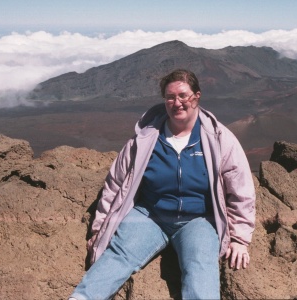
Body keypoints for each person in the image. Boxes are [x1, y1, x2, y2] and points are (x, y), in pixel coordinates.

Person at [69, 69, 256, 300]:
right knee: (118, 255)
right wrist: (100, 229)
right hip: (150, 215)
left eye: (183, 96)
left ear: (196, 97)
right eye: (170, 97)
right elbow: (115, 185)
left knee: (200, 266)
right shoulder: (146, 139)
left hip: (198, 219)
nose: (177, 102)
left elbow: (241, 190)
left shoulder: (218, 138)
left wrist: (239, 238)